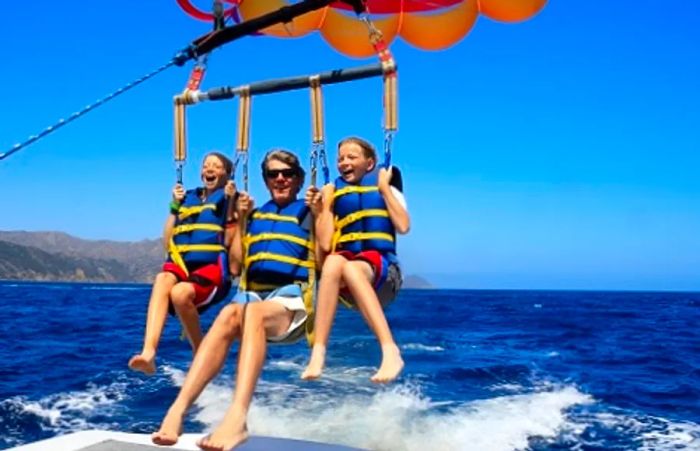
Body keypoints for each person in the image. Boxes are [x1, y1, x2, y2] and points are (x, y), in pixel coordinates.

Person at [151, 149, 323, 451]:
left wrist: (322, 213)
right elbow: (235, 266)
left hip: (291, 301)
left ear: (298, 179)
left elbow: (322, 257)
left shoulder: (309, 212)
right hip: (252, 295)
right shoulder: (254, 215)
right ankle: (177, 410)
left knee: (251, 311)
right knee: (228, 315)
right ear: (266, 180)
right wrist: (241, 221)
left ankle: (237, 418)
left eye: (287, 174)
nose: (280, 179)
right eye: (273, 174)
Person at [301, 136, 410, 383]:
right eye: (340, 158)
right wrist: (323, 208)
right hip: (349, 287)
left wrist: (384, 190)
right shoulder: (335, 192)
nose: (343, 163)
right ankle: (318, 352)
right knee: (333, 262)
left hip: (385, 276)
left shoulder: (385, 186)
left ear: (370, 163)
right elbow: (327, 244)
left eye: (352, 157)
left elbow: (403, 226)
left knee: (349, 268)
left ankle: (390, 351)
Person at [128, 152, 236, 376]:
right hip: (182, 264)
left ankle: (200, 352)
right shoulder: (187, 198)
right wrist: (174, 207)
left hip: (212, 270)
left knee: (179, 294)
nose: (209, 169)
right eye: (206, 165)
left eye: (216, 166)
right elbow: (168, 241)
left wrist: (233, 201)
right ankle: (149, 352)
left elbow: (234, 235)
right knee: (162, 278)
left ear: (227, 174)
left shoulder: (230, 198)